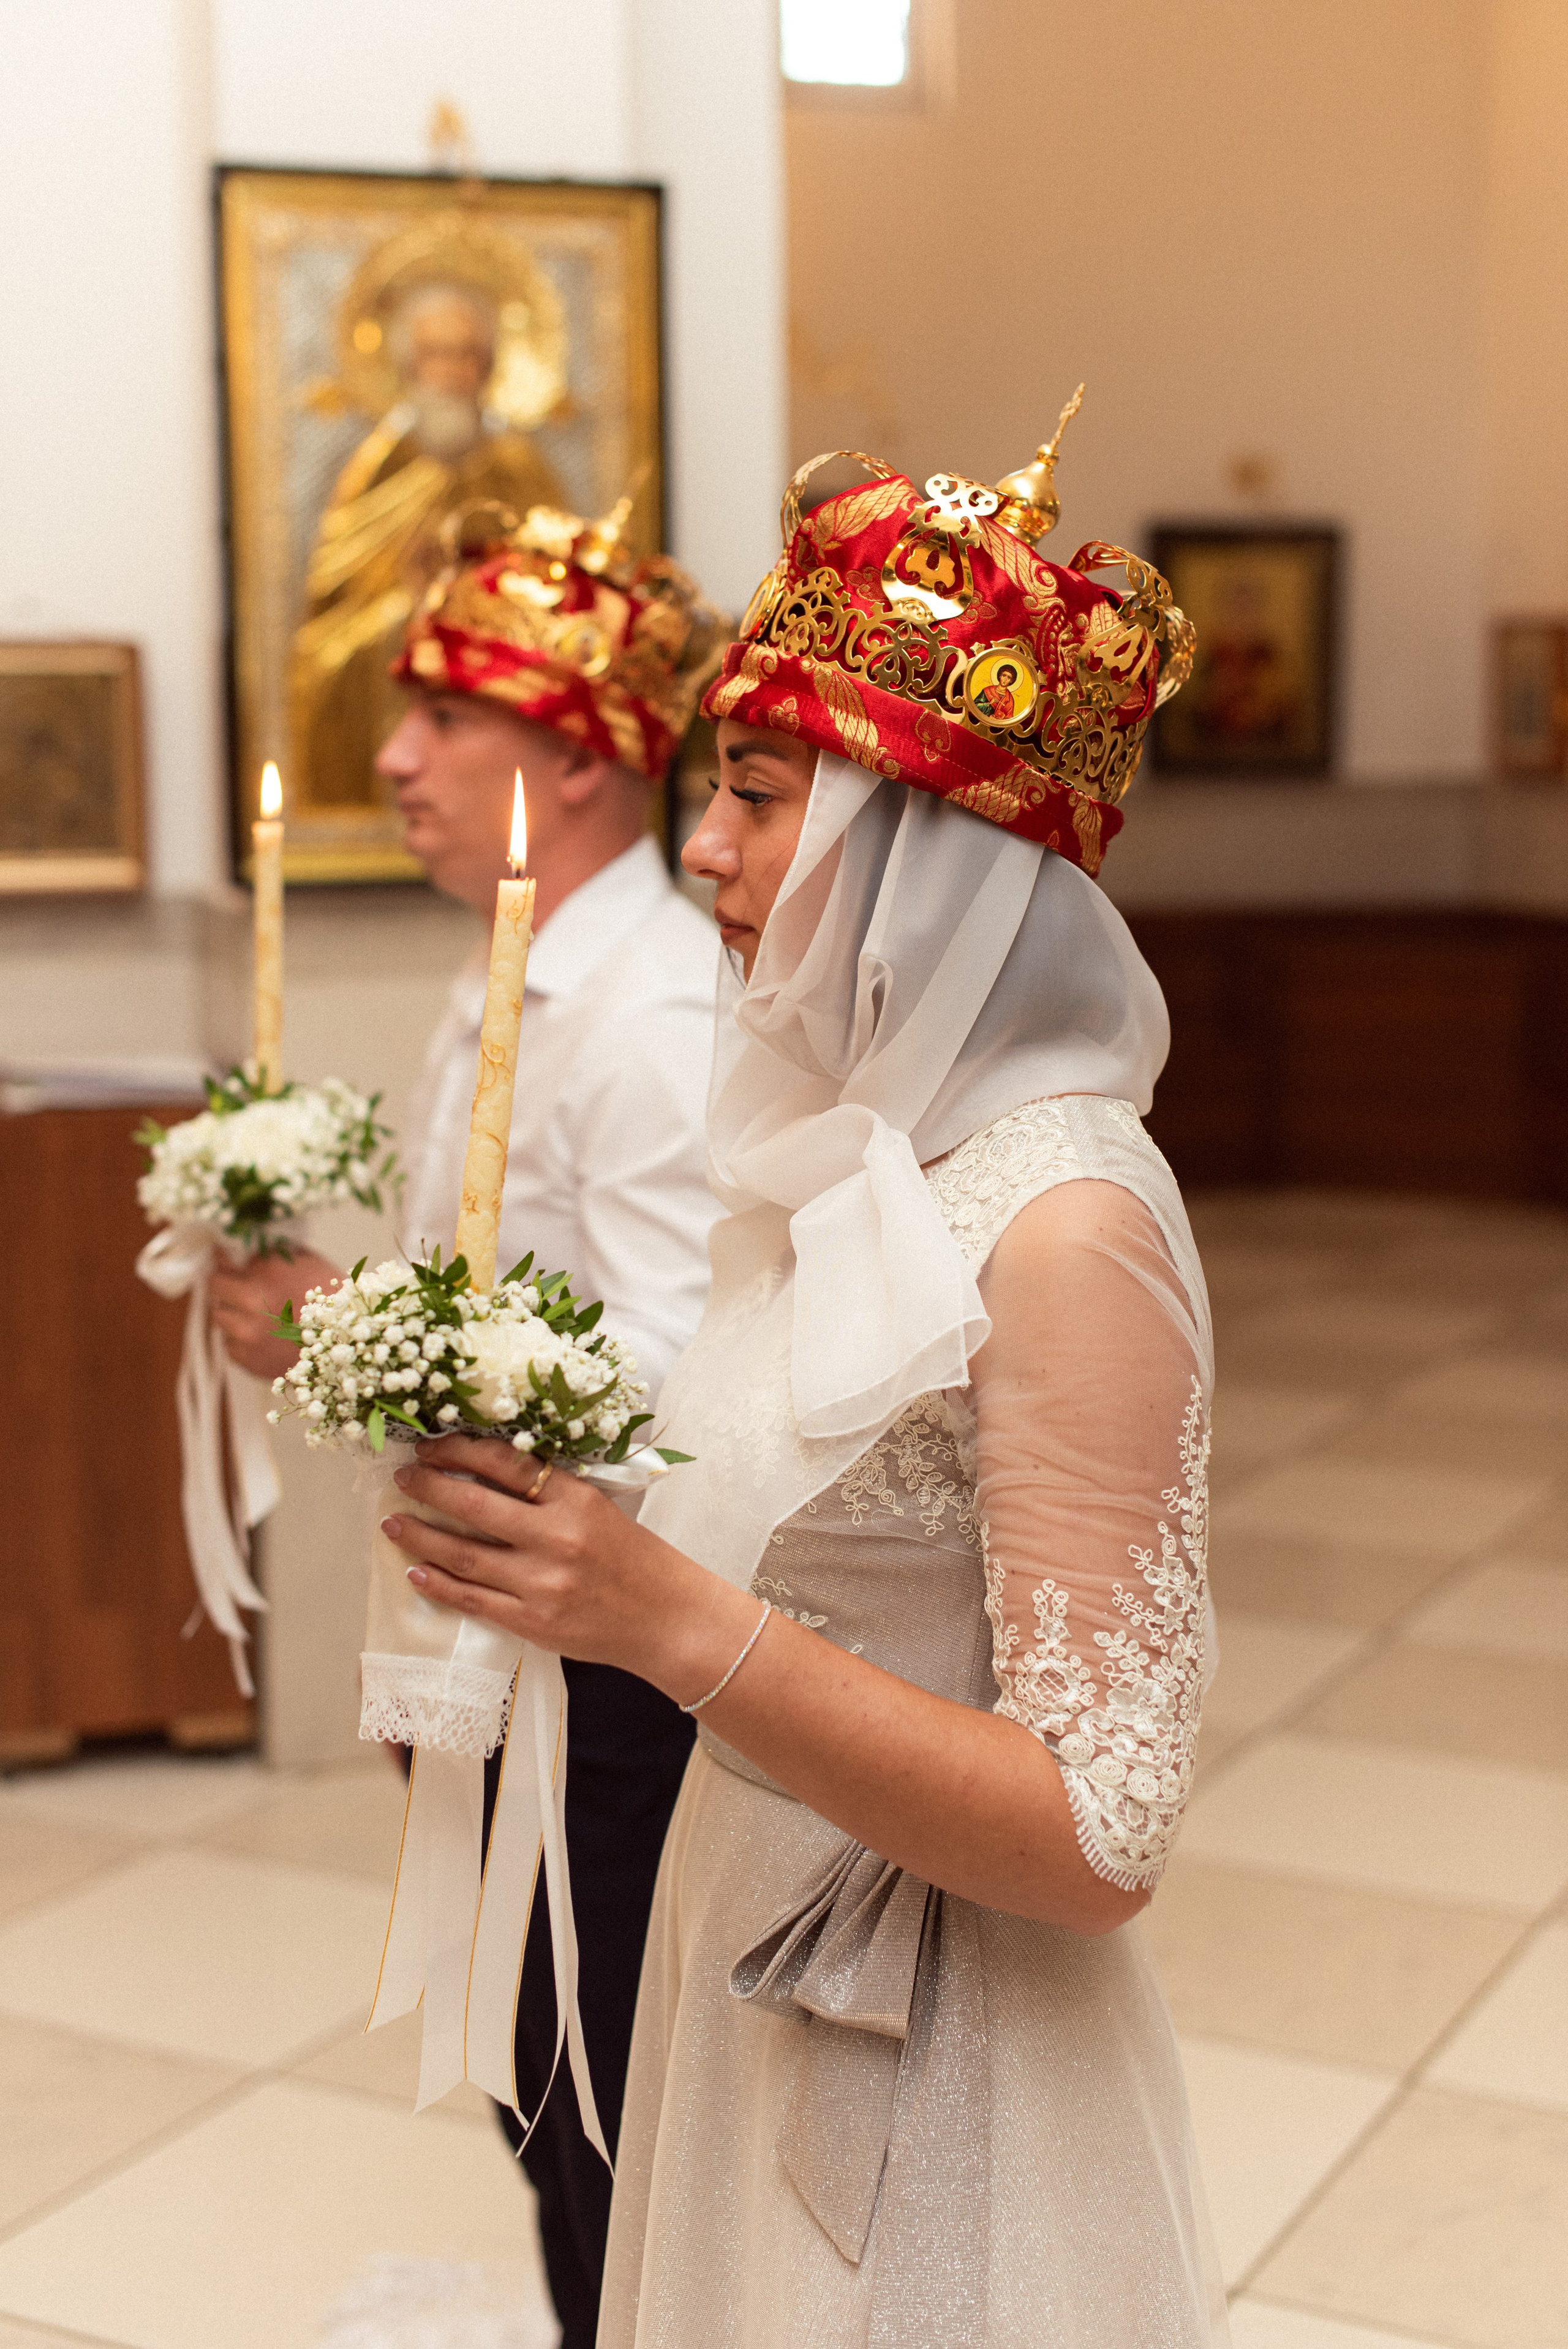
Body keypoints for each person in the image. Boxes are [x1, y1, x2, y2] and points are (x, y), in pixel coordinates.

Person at [375, 445, 1226, 2344]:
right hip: (735, 1940)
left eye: (757, 796)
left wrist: (668, 1621)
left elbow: (1103, 1834)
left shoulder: (1061, 1224)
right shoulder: (851, 1163)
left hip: (932, 2042)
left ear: (923, 845)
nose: (702, 850)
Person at [213, 496, 726, 2349]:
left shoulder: (649, 1013)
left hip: (607, 1683)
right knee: (540, 2091)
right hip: (499, 1638)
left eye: (442, 715)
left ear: (579, 758)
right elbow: (509, 1300)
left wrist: (358, 1335)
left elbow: (676, 1393)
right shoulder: (517, 970)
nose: (395, 757)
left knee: (607, 2109)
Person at [291, 274, 565, 811]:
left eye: (467, 354)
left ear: (487, 365)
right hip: (392, 630)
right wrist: (412, 603)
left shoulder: (519, 465)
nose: (452, 371)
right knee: (343, 659)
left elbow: (559, 574)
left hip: (502, 634)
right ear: (409, 365)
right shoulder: (382, 462)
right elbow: (337, 587)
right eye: (436, 353)